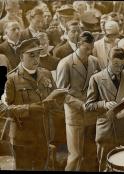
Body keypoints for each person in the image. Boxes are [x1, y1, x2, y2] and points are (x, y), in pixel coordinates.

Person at [4, 37, 58, 170]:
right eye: (31, 55)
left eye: (38, 54)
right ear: (21, 57)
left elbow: (55, 99)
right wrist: (30, 109)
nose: (36, 59)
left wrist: (57, 101)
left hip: (44, 134)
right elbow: (3, 109)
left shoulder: (46, 74)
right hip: (23, 137)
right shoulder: (10, 79)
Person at [84, 47, 124, 171]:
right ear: (108, 60)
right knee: (105, 166)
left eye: (122, 65)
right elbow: (88, 106)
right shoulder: (97, 78)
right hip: (107, 131)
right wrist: (104, 104)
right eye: (115, 64)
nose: (119, 68)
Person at [56, 31, 100, 171]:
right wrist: (81, 105)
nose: (90, 51)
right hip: (75, 114)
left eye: (91, 48)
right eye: (86, 48)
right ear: (78, 45)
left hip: (92, 114)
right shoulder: (65, 63)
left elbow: (99, 84)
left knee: (91, 153)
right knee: (75, 155)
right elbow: (61, 94)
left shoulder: (94, 61)